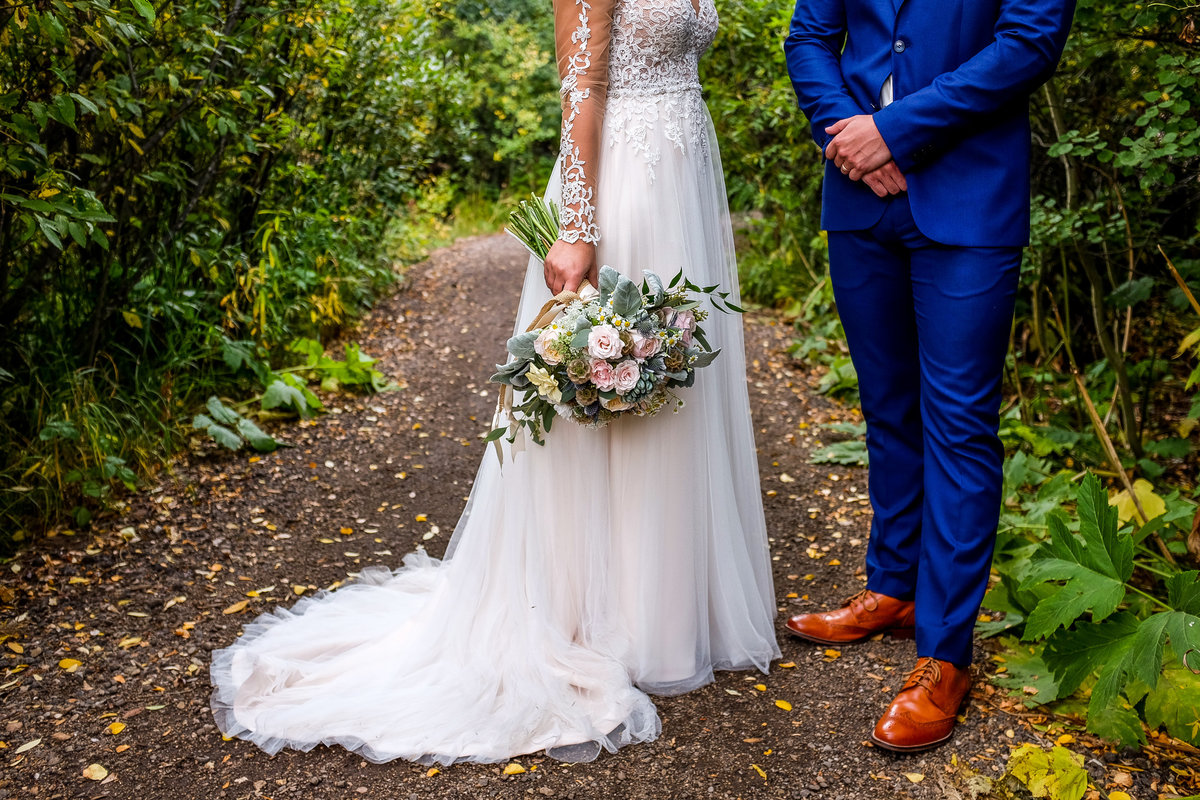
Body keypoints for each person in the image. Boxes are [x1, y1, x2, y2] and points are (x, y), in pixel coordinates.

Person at [209, 0, 779, 765]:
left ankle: (673, 611)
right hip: (625, 187)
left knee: (674, 390)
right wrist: (577, 222)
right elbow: (582, 84)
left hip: (683, 177)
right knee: (616, 384)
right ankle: (604, 616)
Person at [783, 0, 1075, 753]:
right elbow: (810, 35)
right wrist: (848, 139)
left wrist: (894, 132)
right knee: (886, 408)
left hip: (969, 195)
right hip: (858, 200)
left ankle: (945, 656)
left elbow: (1029, 42)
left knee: (959, 424)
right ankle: (893, 588)